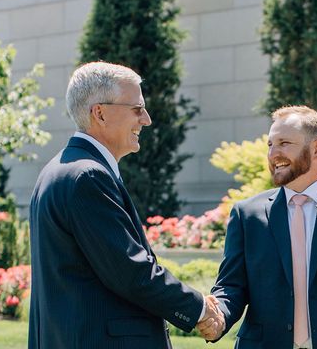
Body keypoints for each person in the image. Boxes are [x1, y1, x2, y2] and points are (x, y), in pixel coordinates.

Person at [28, 61, 224, 349]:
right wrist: (199, 309)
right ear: (100, 113)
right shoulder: (87, 176)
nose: (146, 119)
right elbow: (130, 273)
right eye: (136, 109)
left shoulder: (60, 170)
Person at [200, 106, 317, 348]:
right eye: (270, 145)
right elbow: (231, 286)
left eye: (284, 143)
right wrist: (218, 317)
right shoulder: (246, 214)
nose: (273, 154)